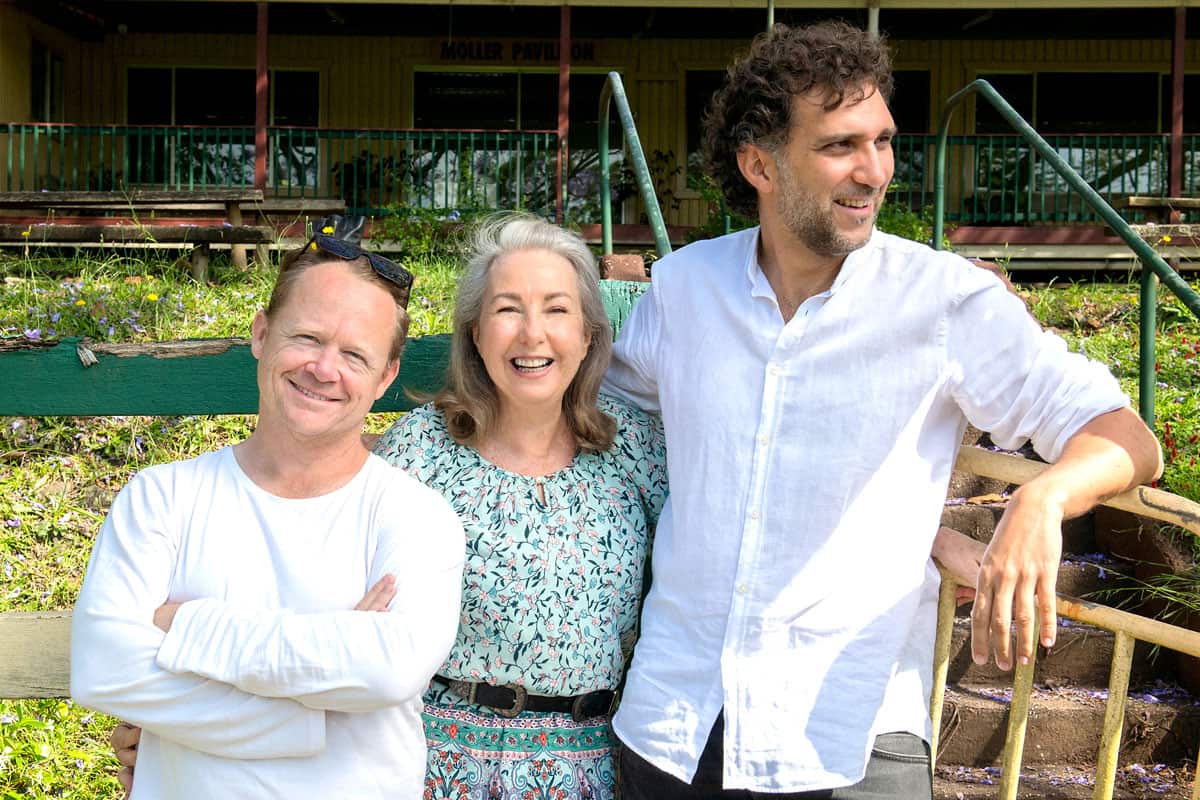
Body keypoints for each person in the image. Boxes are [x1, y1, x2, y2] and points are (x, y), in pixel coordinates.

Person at [602, 20, 1163, 799]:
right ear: (759, 164)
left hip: (849, 735)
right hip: (674, 725)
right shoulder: (682, 291)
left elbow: (1126, 438)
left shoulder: (944, 301)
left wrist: (1040, 500)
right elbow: (607, 440)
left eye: (884, 141)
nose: (874, 172)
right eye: (840, 146)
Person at [71, 225, 465, 799]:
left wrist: (186, 625)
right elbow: (104, 668)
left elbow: (389, 670)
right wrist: (317, 706)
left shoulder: (416, 517)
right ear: (261, 334)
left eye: (355, 354)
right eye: (307, 337)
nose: (324, 368)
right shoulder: (162, 496)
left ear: (386, 376)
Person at [370, 213, 669, 799]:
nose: (533, 334)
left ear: (588, 334)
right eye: (508, 309)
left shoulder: (632, 445)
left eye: (556, 309)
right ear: (475, 333)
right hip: (441, 765)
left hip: (592, 771)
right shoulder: (420, 449)